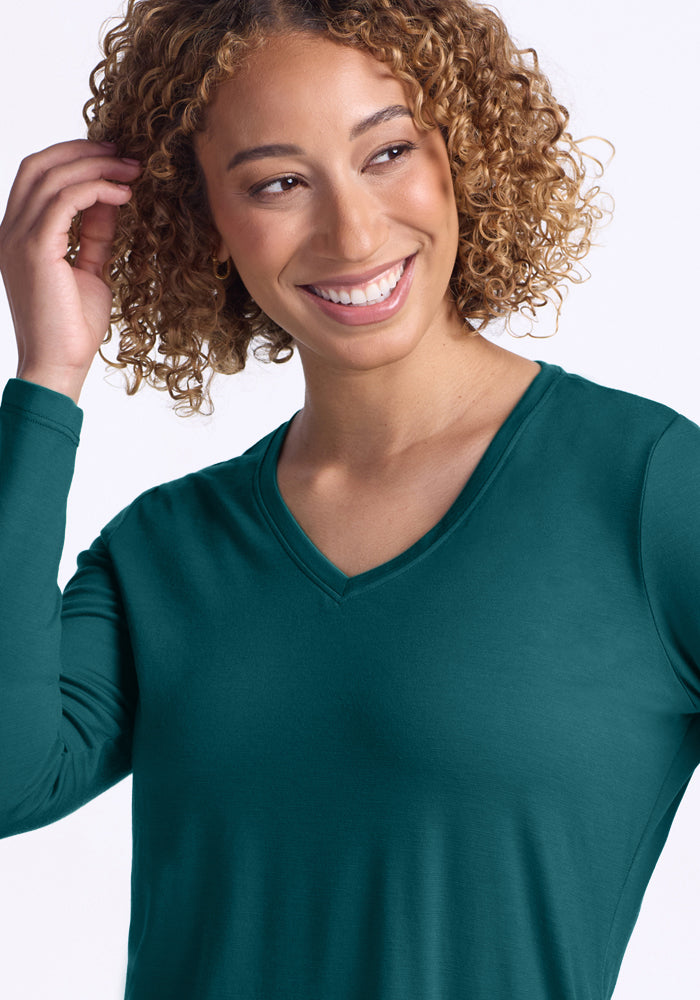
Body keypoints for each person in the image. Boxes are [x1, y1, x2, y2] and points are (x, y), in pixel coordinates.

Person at [1, 0, 698, 998]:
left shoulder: (647, 491)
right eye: (279, 182)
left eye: (386, 153)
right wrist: (45, 382)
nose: (354, 228)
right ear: (201, 219)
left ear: (461, 150)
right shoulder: (166, 551)